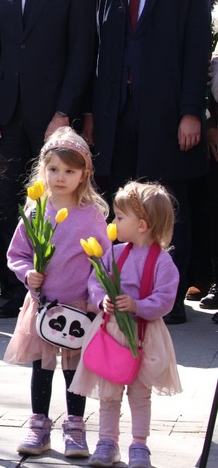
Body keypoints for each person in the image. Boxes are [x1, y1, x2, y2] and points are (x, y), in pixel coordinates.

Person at [87, 0, 212, 325]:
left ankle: (169, 298)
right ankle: (122, 292)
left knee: (167, 205)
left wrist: (191, 111)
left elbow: (197, 49)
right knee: (121, 203)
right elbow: (96, 48)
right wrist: (91, 114)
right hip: (115, 111)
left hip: (167, 113)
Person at [0, 0, 96, 319]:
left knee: (52, 203)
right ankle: (15, 288)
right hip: (6, 114)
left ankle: (56, 287)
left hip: (51, 117)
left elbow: (81, 55)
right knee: (9, 200)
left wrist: (63, 113)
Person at [3, 129, 109, 458]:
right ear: (43, 170)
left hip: (79, 307)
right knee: (42, 367)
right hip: (43, 306)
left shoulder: (91, 215)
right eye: (53, 169)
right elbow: (17, 253)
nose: (60, 177)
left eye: (69, 171)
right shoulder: (36, 210)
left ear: (84, 174)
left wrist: (95, 299)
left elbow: (103, 262)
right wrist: (27, 274)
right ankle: (39, 425)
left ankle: (75, 427)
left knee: (74, 370)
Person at [70, 182, 182, 468]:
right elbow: (95, 282)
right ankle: (107, 441)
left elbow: (165, 299)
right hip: (112, 333)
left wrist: (138, 306)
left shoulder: (163, 262)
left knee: (140, 393)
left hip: (145, 335)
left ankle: (139, 445)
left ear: (142, 225)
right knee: (109, 393)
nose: (114, 222)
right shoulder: (115, 254)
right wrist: (102, 299)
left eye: (120, 217)